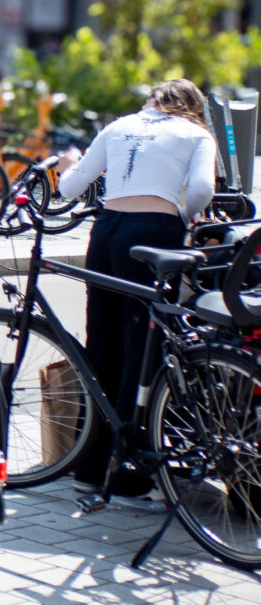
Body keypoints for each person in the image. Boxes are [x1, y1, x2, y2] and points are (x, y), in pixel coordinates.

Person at [55, 78, 217, 496]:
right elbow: (202, 190)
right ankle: (125, 470)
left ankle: (88, 467)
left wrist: (64, 170)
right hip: (153, 232)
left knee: (101, 345)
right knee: (139, 348)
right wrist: (180, 215)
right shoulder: (196, 134)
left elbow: (70, 188)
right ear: (194, 107)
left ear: (152, 100)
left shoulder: (118, 126)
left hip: (106, 231)